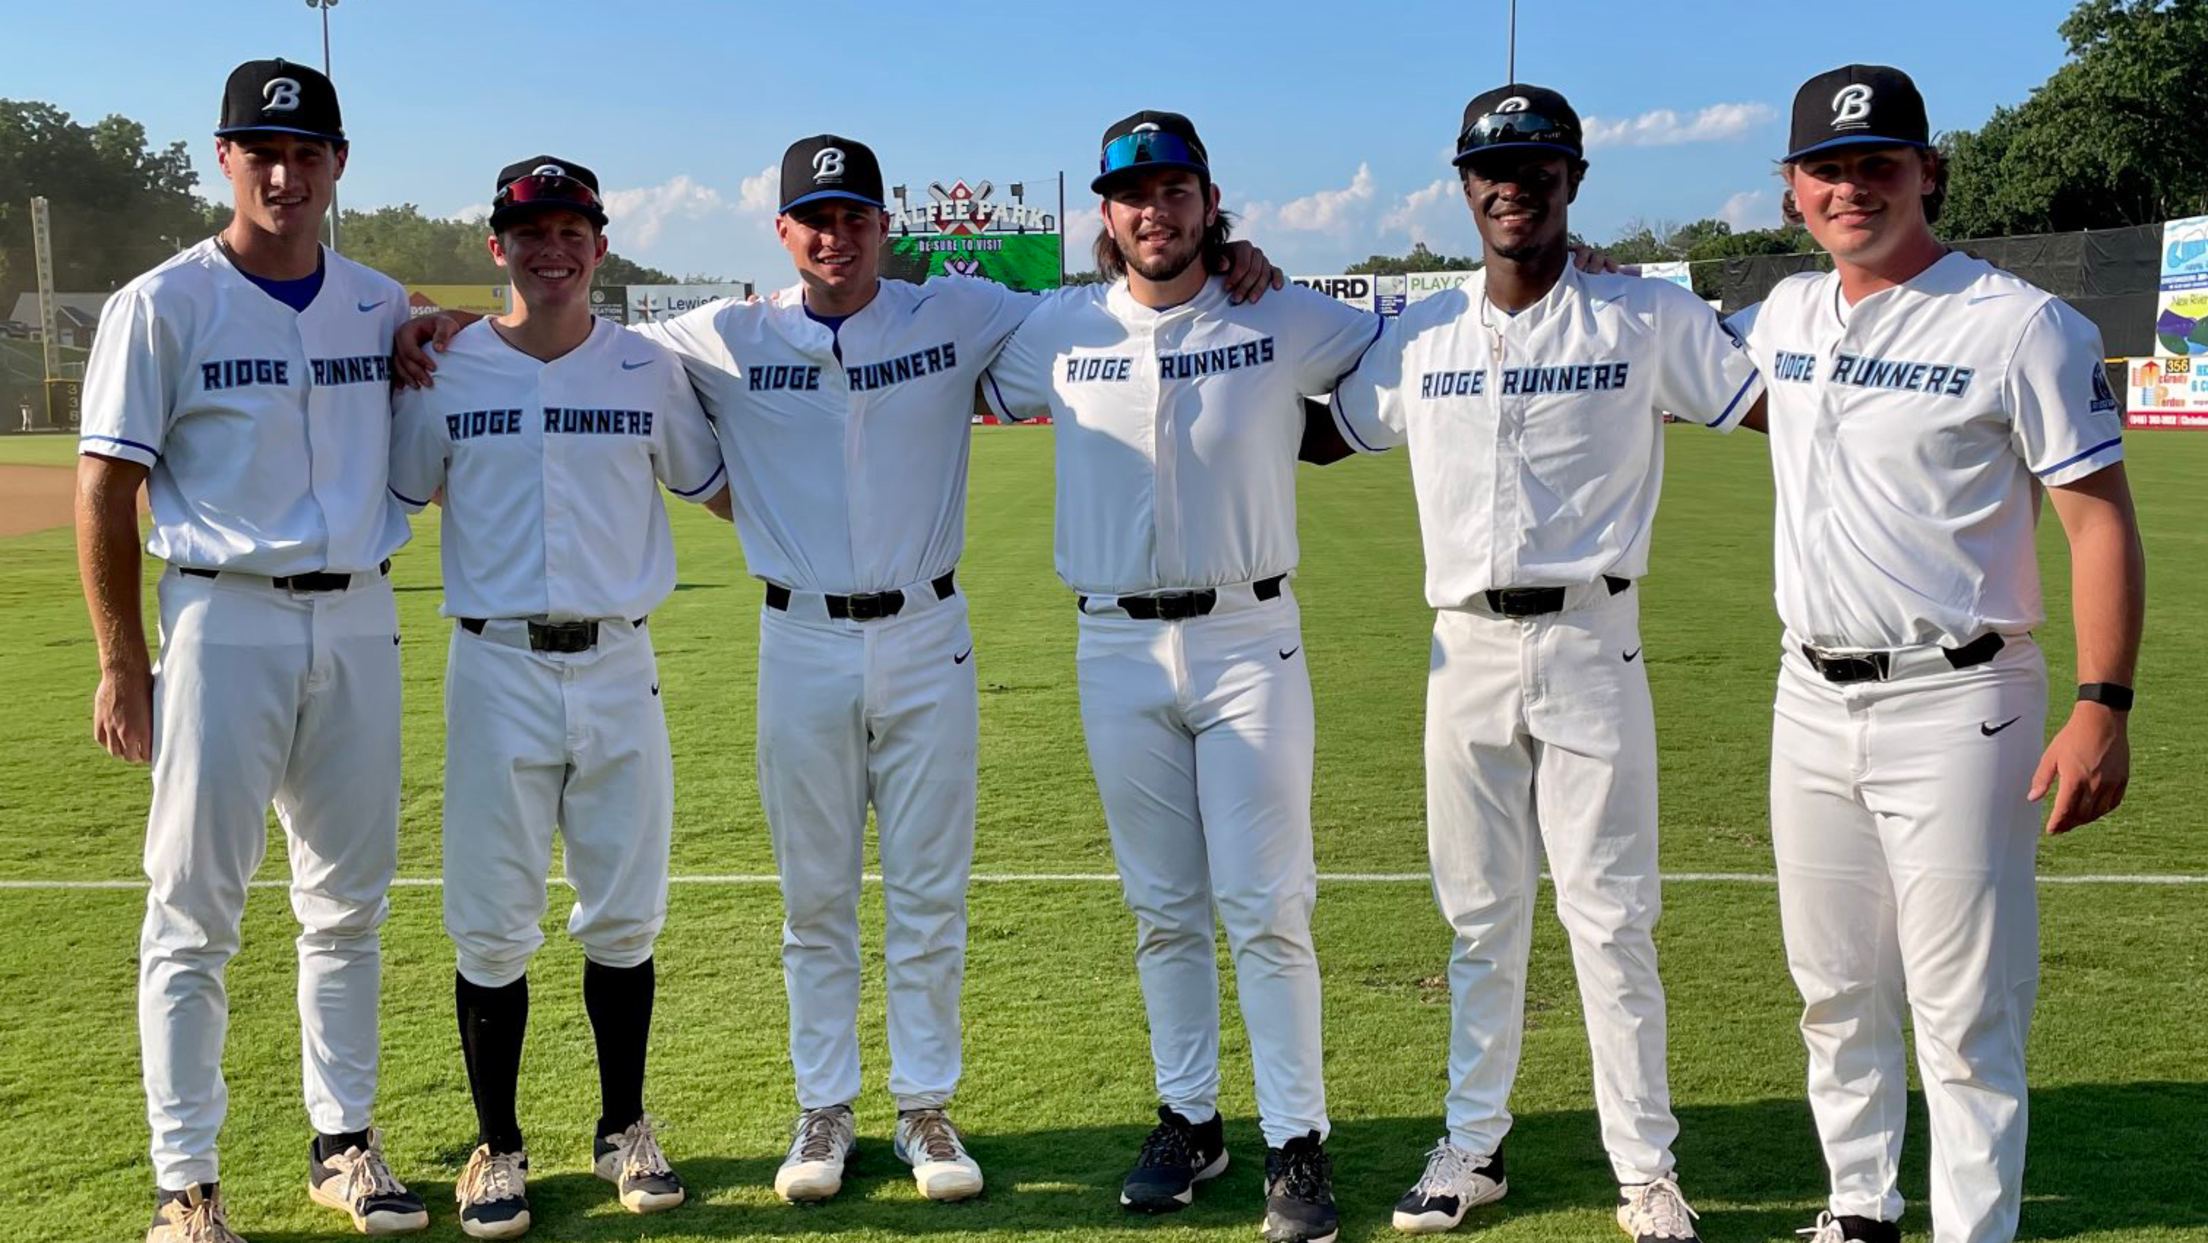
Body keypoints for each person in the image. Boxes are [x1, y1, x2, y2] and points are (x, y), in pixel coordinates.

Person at [393, 132, 1280, 1208]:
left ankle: (924, 1107)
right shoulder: (718, 334)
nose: (836, 236)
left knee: (927, 890)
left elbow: (1117, 301)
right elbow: (563, 335)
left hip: (927, 634)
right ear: (782, 233)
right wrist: (434, 321)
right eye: (815, 218)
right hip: (799, 636)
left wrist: (1237, 264)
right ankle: (824, 1105)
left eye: (856, 216)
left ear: (883, 228)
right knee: (813, 897)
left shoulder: (954, 312)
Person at [1319, 84, 1758, 1243]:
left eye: (1537, 163)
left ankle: (1646, 1167)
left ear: (1574, 177)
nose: (1512, 182)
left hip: (1589, 641)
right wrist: (1232, 283)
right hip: (1460, 650)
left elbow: (1775, 399)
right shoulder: (1418, 336)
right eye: (1490, 166)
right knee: (1478, 918)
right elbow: (1317, 428)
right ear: (1463, 184)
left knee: (1613, 918)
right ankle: (1473, 1147)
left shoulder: (1643, 316)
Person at [1740, 65, 2143, 1243]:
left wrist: (2101, 702)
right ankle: (1858, 1205)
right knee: (1834, 989)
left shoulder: (2018, 323)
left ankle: (1977, 1230)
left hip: (1963, 697)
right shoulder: (1784, 316)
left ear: (1928, 172)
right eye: (1830, 167)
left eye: (1880, 163)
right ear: (1794, 192)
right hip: (1807, 691)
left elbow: (2099, 517)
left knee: (1966, 1010)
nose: (1854, 186)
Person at [980, 110, 1386, 1243]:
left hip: (1248, 640)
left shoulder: (1275, 311)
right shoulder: (1053, 331)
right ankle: (1190, 1120)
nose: (1153, 212)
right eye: (1132, 195)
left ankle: (1296, 1143)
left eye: (1174, 192)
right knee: (1163, 910)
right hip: (1112, 642)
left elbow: (1412, 350)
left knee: (1265, 906)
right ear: (1104, 216)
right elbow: (935, 361)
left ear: (1210, 204)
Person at [75, 58, 427, 1243]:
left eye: (306, 151)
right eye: (259, 150)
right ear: (224, 158)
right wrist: (125, 661)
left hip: (360, 613)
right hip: (222, 617)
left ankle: (345, 1145)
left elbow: (456, 364)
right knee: (192, 911)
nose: (284, 171)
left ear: (338, 163)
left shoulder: (379, 302)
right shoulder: (161, 302)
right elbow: (104, 486)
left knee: (348, 904)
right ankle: (187, 1185)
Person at [388, 156, 730, 1239]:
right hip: (497, 666)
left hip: (622, 661)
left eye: (572, 228)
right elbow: (396, 491)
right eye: (529, 231)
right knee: (491, 924)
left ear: (601, 241)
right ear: (498, 246)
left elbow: (715, 485)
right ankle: (497, 1148)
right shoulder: (448, 365)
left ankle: (623, 1126)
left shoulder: (647, 369)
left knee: (624, 913)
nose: (552, 249)